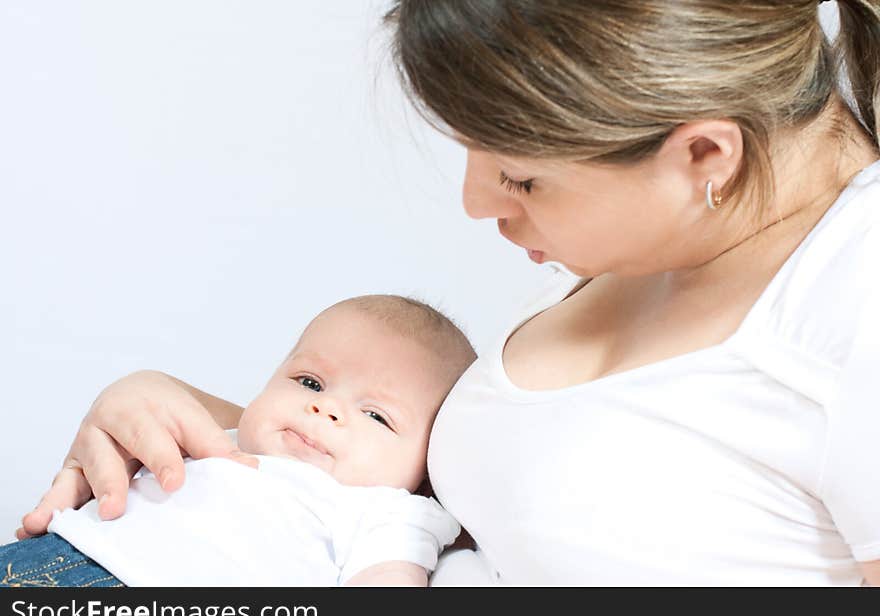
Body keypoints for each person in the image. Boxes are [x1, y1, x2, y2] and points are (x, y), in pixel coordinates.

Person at [16, 1, 880, 585]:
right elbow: (510, 498)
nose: (475, 205)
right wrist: (172, 416)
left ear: (704, 156)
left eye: (521, 179)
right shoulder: (686, 231)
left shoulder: (852, 302)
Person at [2, 295, 472, 586]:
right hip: (46, 555)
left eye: (376, 415)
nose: (325, 409)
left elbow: (387, 581)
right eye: (310, 382)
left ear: (427, 473)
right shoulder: (219, 442)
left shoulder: (390, 511)